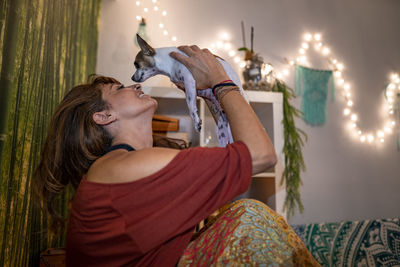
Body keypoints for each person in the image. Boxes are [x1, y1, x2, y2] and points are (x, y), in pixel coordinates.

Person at [34, 46, 319, 266]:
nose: (135, 85)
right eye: (119, 88)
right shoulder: (122, 166)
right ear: (104, 115)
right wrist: (222, 82)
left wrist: (212, 94)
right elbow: (261, 155)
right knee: (247, 213)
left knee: (238, 213)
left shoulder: (122, 167)